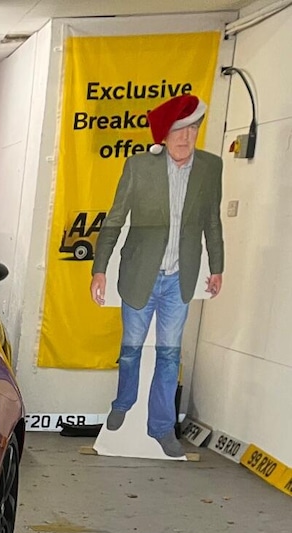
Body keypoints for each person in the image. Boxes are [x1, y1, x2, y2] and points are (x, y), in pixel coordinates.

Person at [91, 94, 224, 458]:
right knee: (131, 349)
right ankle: (123, 403)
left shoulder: (211, 168)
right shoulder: (139, 167)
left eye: (192, 129)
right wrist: (99, 269)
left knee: (169, 354)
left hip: (179, 277)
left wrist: (217, 267)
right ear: (164, 135)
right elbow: (115, 219)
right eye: (179, 130)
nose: (186, 137)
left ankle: (162, 427)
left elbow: (212, 220)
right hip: (140, 274)